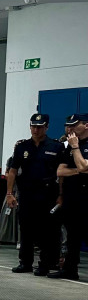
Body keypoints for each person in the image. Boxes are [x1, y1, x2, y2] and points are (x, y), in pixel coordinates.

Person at [7, 114, 64, 276]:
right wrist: (9, 193)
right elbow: (12, 171)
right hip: (27, 193)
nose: (36, 130)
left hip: (48, 194)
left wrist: (61, 194)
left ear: (46, 127)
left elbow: (61, 174)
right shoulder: (22, 146)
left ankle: (45, 264)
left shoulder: (56, 147)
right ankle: (25, 262)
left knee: (47, 231)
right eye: (33, 126)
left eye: (39, 127)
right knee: (26, 229)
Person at [55, 113, 88, 280]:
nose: (70, 129)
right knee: (72, 236)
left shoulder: (75, 145)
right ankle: (69, 269)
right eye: (69, 125)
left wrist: (75, 148)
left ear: (86, 125)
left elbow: (83, 166)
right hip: (72, 196)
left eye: (74, 125)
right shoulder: (70, 145)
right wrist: (79, 170)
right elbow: (60, 171)